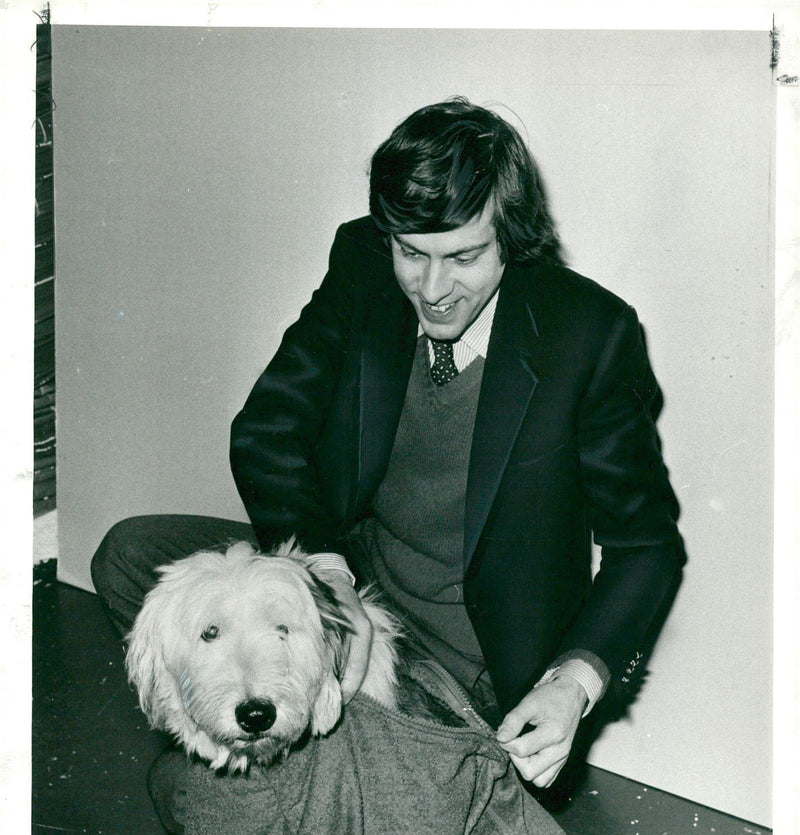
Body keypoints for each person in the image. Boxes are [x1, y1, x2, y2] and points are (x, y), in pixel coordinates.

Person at [93, 96, 685, 798]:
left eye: (463, 256)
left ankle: (326, 779)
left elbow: (646, 546)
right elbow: (267, 430)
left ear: (512, 238)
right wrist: (329, 578)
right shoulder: (363, 262)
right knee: (130, 555)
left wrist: (571, 686)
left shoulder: (590, 333)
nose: (433, 290)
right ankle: (327, 772)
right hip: (352, 593)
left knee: (194, 793)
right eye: (412, 253)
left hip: (466, 665)